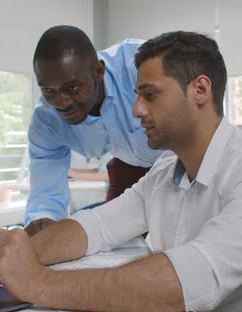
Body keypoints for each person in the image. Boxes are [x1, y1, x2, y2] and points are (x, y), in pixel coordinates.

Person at [0, 31, 242, 311]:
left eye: (150, 95)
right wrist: (16, 252)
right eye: (137, 94)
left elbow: (181, 286)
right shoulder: (167, 169)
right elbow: (95, 227)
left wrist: (36, 282)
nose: (136, 110)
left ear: (200, 90)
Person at [25, 25, 163, 236]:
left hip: (178, 161)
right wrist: (43, 220)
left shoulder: (142, 64)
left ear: (99, 71)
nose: (61, 103)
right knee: (117, 246)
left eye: (72, 88)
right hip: (126, 169)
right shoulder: (45, 120)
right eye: (48, 90)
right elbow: (46, 191)